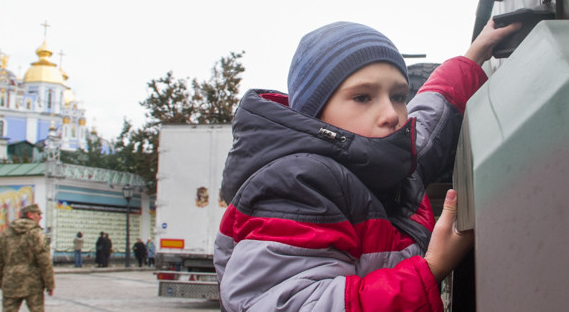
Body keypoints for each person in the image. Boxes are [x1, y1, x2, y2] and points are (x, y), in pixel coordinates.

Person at [213, 20, 519, 311]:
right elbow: (292, 303)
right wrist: (431, 269)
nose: (392, 114)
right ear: (314, 114)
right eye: (363, 97)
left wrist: (476, 53)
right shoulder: (296, 183)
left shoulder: (385, 166)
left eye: (398, 96)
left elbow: (429, 117)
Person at [0, 204, 55, 312]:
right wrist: (50, 284)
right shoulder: (37, 234)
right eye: (38, 214)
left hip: (10, 282)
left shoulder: (6, 234)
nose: (40, 217)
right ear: (30, 215)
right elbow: (44, 261)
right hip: (33, 284)